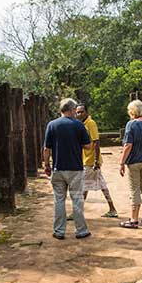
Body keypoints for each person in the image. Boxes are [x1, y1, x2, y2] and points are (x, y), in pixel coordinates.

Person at [43, 98, 93, 240]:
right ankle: (81, 230)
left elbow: (47, 148)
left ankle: (59, 231)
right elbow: (88, 146)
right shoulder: (78, 125)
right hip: (75, 168)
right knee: (77, 199)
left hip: (58, 168)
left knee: (59, 200)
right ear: (71, 110)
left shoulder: (52, 125)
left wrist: (47, 165)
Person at [119, 100, 142, 228]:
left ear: (132, 111)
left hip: (135, 161)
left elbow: (128, 145)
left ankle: (133, 219)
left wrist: (122, 162)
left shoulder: (131, 125)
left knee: (134, 189)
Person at [76, 104, 118, 218]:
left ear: (87, 112)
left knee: (82, 186)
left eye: (81, 112)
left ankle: (78, 212)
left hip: (91, 161)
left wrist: (96, 160)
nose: (79, 114)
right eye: (77, 112)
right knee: (102, 186)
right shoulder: (81, 124)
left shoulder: (91, 123)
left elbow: (96, 142)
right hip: (86, 160)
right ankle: (112, 209)